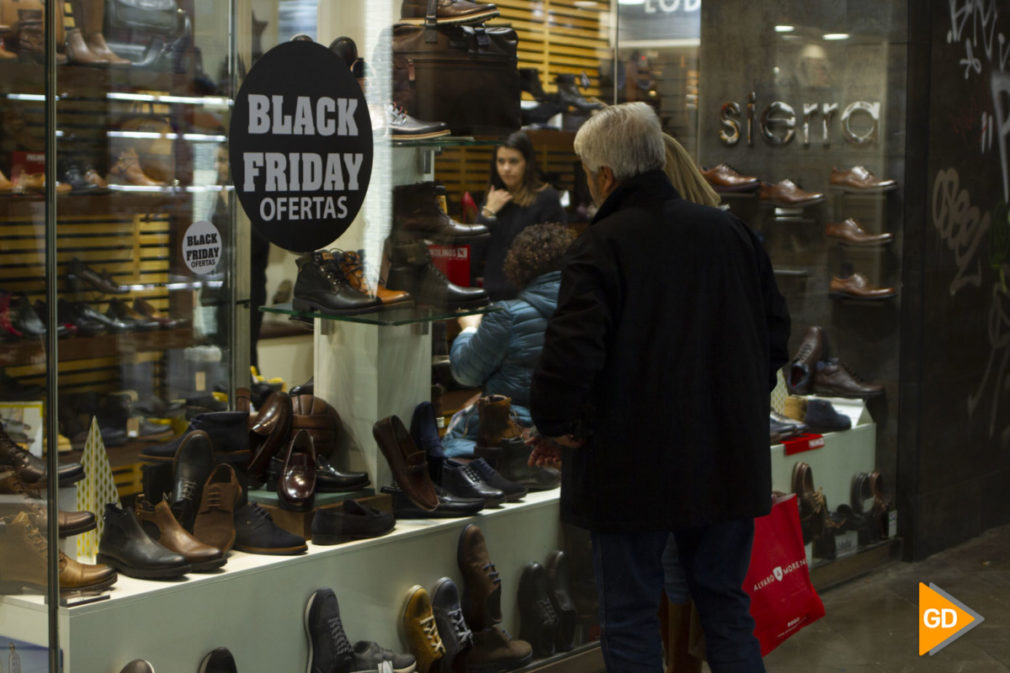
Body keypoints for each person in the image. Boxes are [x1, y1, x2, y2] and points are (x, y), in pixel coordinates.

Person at [528, 103, 790, 673]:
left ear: (603, 177)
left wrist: (556, 423)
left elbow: (571, 353)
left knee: (629, 616)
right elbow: (774, 336)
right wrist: (738, 403)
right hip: (724, 456)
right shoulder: (731, 232)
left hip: (630, 466)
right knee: (725, 606)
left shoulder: (601, 245)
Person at [442, 223, 575, 458]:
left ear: (520, 265)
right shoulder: (587, 310)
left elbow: (465, 373)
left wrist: (469, 330)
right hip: (564, 444)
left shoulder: (508, 314)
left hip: (510, 444)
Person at [477, 131, 567, 301]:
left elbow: (556, 256)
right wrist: (487, 213)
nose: (506, 168)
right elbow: (473, 255)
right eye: (501, 161)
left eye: (513, 161)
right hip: (493, 296)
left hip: (532, 298)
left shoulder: (546, 198)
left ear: (527, 163)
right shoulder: (493, 198)